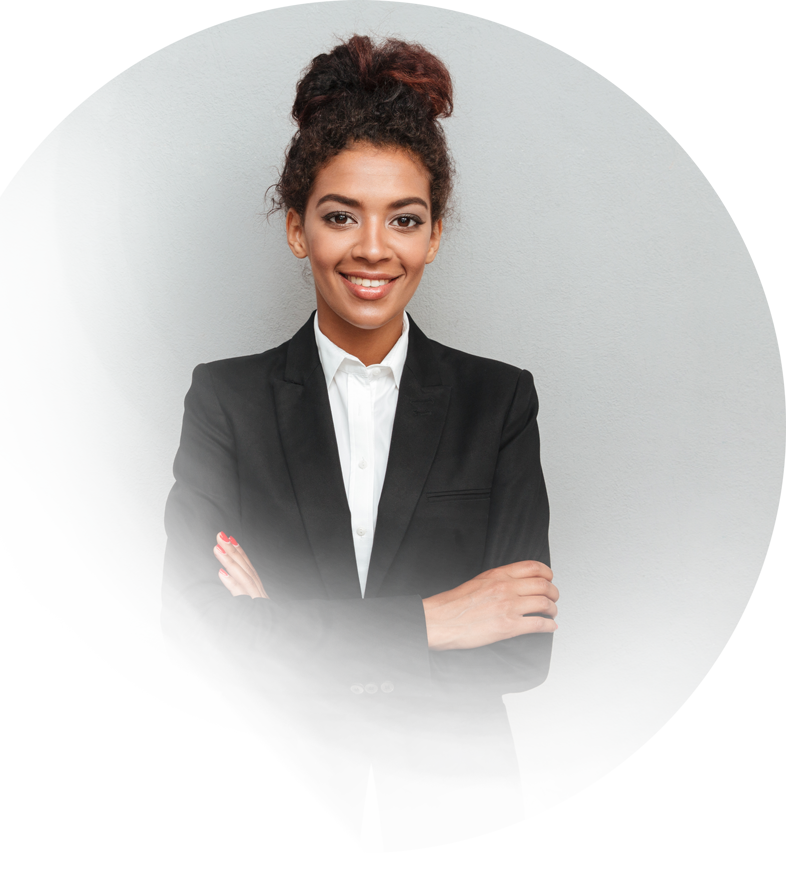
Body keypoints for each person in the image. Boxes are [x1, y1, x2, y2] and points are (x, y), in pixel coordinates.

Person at [160, 34, 559, 853]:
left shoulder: (498, 402)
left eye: (403, 219)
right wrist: (434, 622)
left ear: (434, 236)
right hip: (271, 812)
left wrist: (286, 638)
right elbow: (200, 638)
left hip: (456, 816)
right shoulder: (225, 401)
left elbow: (518, 652)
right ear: (297, 229)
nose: (372, 248)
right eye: (341, 215)